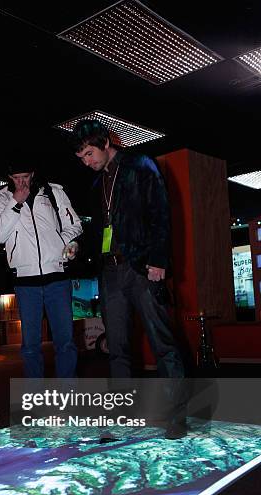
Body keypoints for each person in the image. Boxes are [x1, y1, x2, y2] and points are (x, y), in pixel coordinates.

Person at [70, 119, 186, 438]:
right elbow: (99, 231)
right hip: (110, 273)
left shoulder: (140, 165)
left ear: (106, 143)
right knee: (117, 348)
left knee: (162, 342)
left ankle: (175, 416)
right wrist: (78, 246)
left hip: (143, 267)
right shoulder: (97, 185)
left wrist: (159, 259)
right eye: (81, 158)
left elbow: (161, 213)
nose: (87, 162)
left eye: (90, 154)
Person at [0, 157, 82, 377]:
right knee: (30, 347)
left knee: (65, 342)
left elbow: (75, 225)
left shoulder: (53, 192)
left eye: (26, 177)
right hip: (25, 283)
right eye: (16, 178)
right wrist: (16, 202)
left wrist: (60, 242)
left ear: (33, 174)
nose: (22, 183)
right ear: (9, 177)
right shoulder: (0, 198)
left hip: (57, 278)